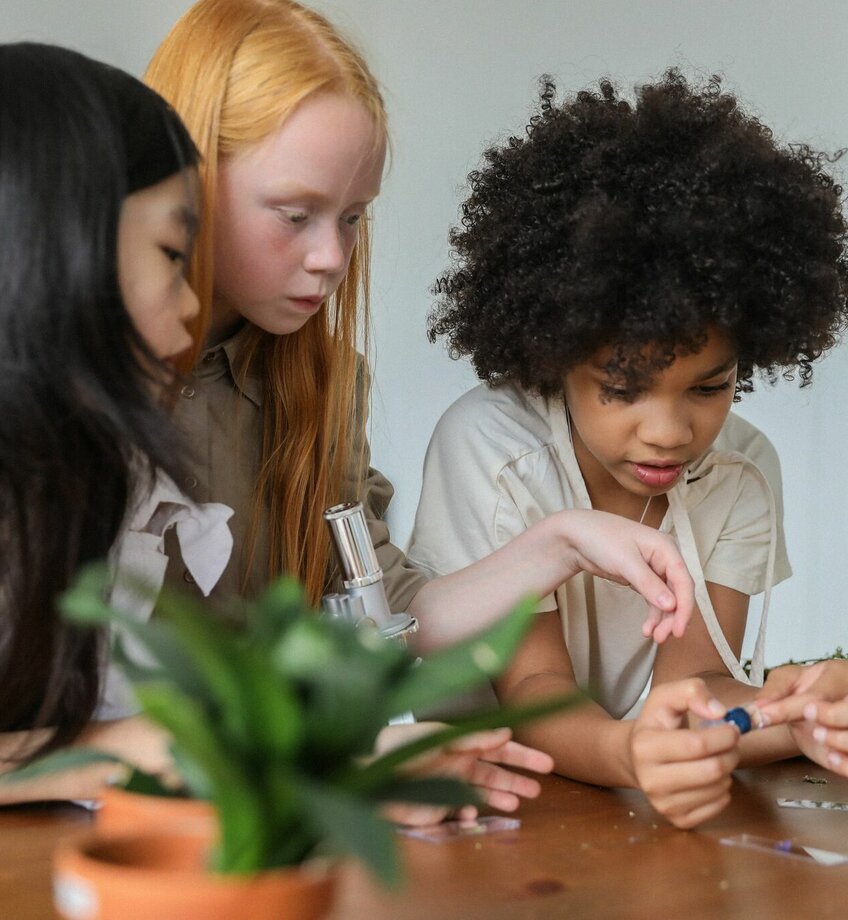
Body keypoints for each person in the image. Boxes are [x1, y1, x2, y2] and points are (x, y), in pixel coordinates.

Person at [0, 41, 552, 819]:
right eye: (169, 253)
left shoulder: (305, 388)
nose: (331, 258)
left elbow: (371, 613)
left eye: (354, 219)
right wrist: (123, 752)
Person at [144, 0, 695, 659]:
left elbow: (385, 617)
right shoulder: (67, 374)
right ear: (191, 179)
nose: (331, 257)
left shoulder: (325, 381)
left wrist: (564, 542)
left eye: (352, 218)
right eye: (296, 215)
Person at [409, 70, 848, 828]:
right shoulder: (492, 447)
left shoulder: (740, 472)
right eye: (623, 387)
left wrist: (792, 709)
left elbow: (701, 680)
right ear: (552, 354)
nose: (671, 432)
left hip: (601, 808)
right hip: (469, 807)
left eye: (708, 389)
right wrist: (629, 754)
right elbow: (537, 687)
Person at [0, 41, 208, 800]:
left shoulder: (92, 478)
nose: (192, 304)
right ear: (58, 246)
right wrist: (111, 750)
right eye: (172, 253)